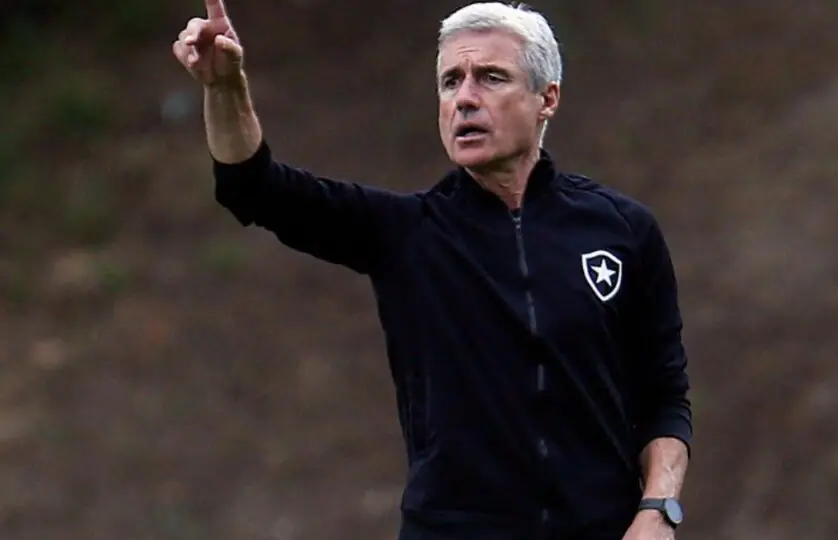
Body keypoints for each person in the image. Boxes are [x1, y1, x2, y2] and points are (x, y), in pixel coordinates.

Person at [172, 1, 692, 539]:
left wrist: (658, 511)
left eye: (491, 77)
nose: (465, 98)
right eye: (450, 81)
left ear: (547, 99)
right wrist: (225, 88)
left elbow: (665, 395)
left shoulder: (622, 230)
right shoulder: (407, 233)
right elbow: (253, 187)